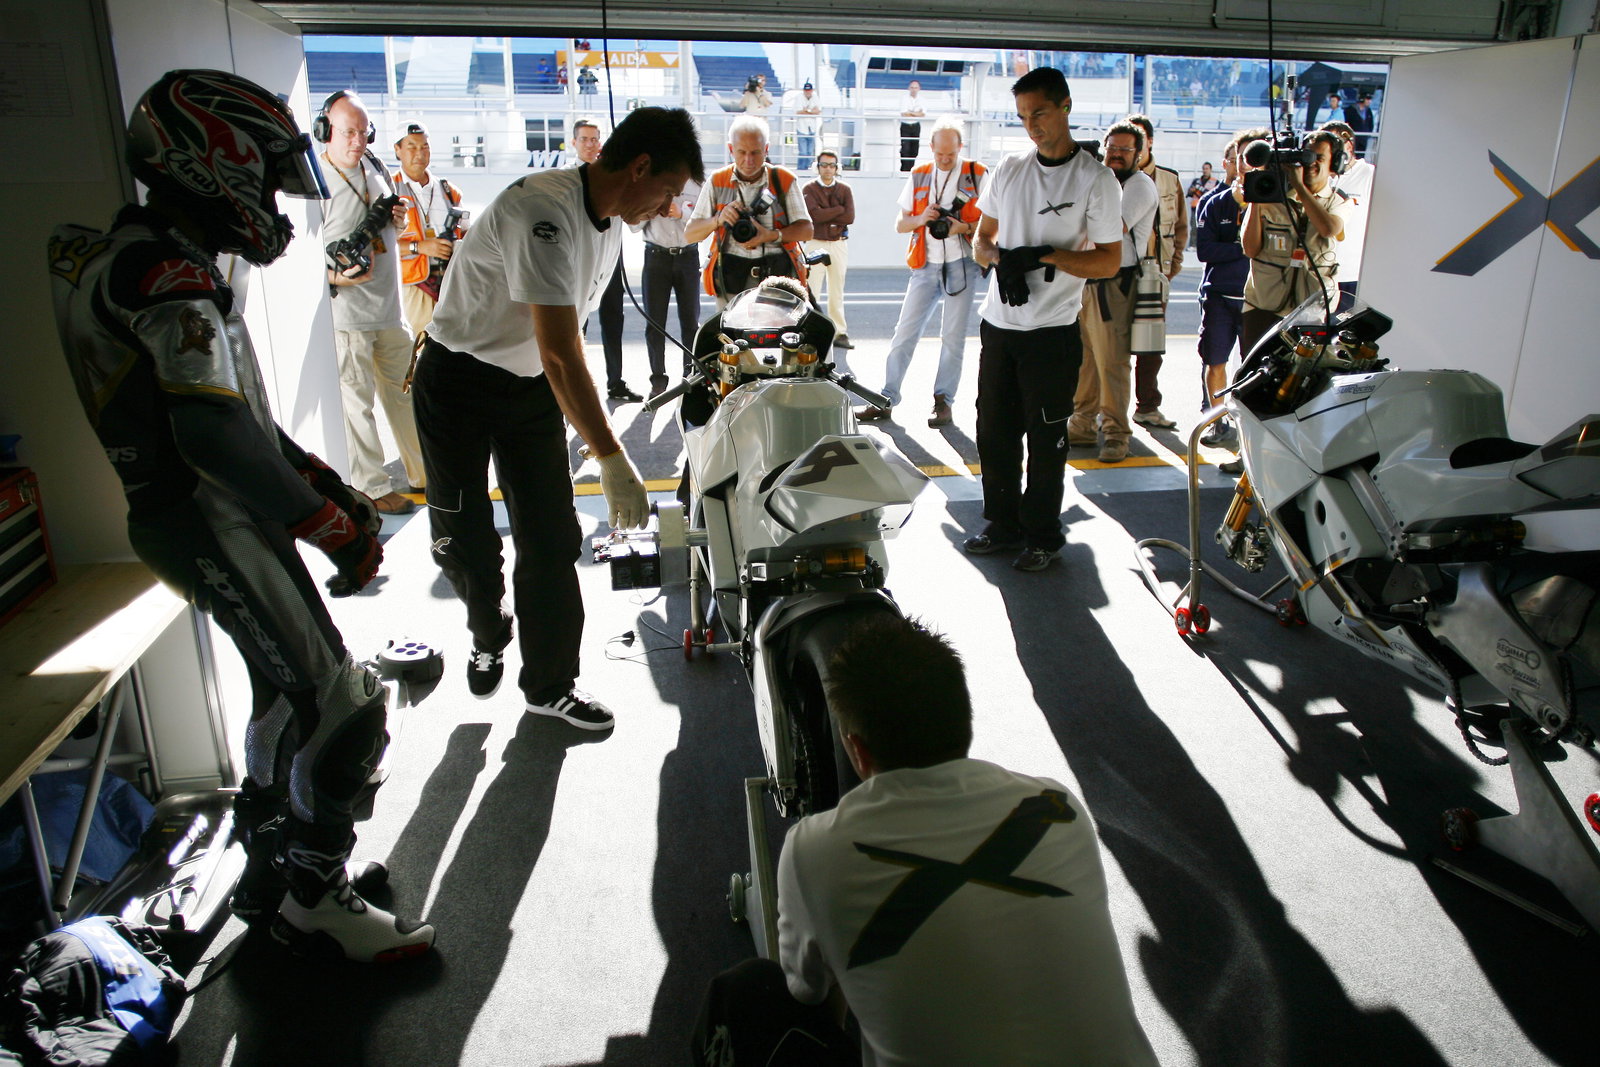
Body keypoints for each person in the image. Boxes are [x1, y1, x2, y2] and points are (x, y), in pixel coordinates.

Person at [48, 69, 434, 963]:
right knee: (345, 709)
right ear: (211, 164)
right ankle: (314, 894)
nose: (269, 201)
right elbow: (215, 434)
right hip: (206, 516)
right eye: (260, 178)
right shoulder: (164, 271)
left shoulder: (139, 254)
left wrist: (323, 492)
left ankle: (277, 871)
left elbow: (236, 418)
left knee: (282, 703)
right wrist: (328, 522)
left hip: (205, 516)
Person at [691, 615, 1158, 1066]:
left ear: (856, 748)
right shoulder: (1058, 806)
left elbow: (806, 991)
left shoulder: (813, 849)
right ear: (964, 718)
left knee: (744, 994)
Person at [413, 106, 703, 728]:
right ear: (640, 167)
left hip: (530, 392)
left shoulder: (614, 223)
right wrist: (611, 455)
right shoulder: (541, 208)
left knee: (551, 539)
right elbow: (560, 350)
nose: (670, 206)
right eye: (669, 191)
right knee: (464, 544)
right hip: (458, 381)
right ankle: (488, 631)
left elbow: (554, 359)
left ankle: (549, 684)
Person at [968, 67, 1121, 573]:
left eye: (1040, 113)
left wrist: (1046, 256)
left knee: (1047, 437)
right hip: (999, 327)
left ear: (1066, 107)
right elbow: (981, 240)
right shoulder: (1009, 169)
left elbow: (1107, 261)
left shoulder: (1095, 180)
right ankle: (1003, 524)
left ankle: (1042, 534)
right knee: (994, 432)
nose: (1031, 125)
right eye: (1022, 116)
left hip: (1052, 334)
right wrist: (1000, 261)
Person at [318, 90, 425, 515]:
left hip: (389, 311)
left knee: (406, 397)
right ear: (326, 130)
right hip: (347, 316)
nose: (357, 141)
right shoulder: (315, 183)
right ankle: (371, 487)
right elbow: (294, 259)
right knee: (357, 407)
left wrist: (396, 225)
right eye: (348, 132)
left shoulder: (375, 167)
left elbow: (388, 231)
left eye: (363, 132)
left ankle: (424, 473)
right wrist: (336, 276)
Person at [858, 118, 987, 429]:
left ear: (960, 148)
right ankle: (886, 397)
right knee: (904, 334)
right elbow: (901, 224)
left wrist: (963, 227)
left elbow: (995, 222)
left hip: (962, 266)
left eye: (951, 155)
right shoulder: (919, 176)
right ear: (931, 148)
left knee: (953, 338)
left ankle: (944, 402)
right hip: (925, 266)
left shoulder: (977, 174)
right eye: (940, 154)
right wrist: (922, 217)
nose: (945, 160)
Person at [1065, 121, 1158, 464]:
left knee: (1112, 363)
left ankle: (1117, 434)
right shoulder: (1102, 182)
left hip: (1115, 284)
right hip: (1087, 281)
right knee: (1085, 361)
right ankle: (1083, 424)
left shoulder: (1140, 185)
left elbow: (1110, 228)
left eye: (1125, 149)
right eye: (1113, 148)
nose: (1117, 155)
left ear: (1139, 153)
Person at [1239, 129, 1351, 356]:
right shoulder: (1272, 197)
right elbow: (1250, 248)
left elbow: (1329, 228)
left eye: (1320, 158)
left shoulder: (1338, 200)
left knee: (1303, 378)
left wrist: (1299, 186)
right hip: (1263, 304)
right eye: (1308, 156)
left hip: (1311, 308)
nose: (1311, 164)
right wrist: (1257, 194)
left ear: (1334, 165)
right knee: (1253, 378)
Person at [685, 115, 813, 309]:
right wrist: (718, 219)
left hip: (777, 277)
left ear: (766, 149)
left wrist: (771, 235)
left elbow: (807, 230)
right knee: (730, 338)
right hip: (730, 278)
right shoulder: (717, 181)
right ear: (730, 149)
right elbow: (690, 233)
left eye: (755, 152)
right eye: (741, 152)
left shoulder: (784, 180)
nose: (748, 160)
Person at [1193, 128, 1265, 456]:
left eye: (1253, 159)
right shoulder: (1212, 202)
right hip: (1219, 294)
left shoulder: (1272, 202)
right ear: (1233, 162)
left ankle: (1251, 431)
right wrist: (1244, 247)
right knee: (1215, 359)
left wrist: (1237, 246)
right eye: (1241, 159)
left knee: (1254, 369)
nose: (1246, 166)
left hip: (1260, 298)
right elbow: (1206, 251)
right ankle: (1217, 421)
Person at [573, 119, 644, 402]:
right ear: (575, 142)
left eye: (595, 139)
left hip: (611, 263)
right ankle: (577, 387)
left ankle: (615, 382)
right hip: (579, 265)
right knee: (577, 326)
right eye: (585, 139)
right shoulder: (567, 179)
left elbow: (635, 221)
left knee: (613, 322)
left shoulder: (615, 177)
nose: (591, 144)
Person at [1124, 113, 1186, 432]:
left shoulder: (1169, 179)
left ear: (1149, 142)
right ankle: (1106, 411)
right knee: (1112, 345)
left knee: (1151, 346)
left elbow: (1181, 227)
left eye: (1139, 138)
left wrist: (1171, 268)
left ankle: (1147, 407)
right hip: (1119, 274)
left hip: (1155, 274)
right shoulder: (1113, 175)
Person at [392, 121, 466, 335]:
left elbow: (468, 233)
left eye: (425, 147)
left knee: (454, 348)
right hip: (413, 288)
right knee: (417, 348)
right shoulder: (389, 190)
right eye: (412, 147)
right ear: (397, 150)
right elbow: (378, 246)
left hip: (450, 286)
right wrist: (419, 247)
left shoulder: (450, 191)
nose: (420, 153)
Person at [639, 176, 703, 398]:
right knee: (655, 322)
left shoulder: (697, 184)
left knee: (690, 321)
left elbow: (706, 221)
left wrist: (682, 213)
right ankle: (658, 380)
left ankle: (690, 375)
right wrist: (650, 207)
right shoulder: (650, 183)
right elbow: (632, 224)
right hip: (657, 256)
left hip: (688, 256)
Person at [802, 151, 855, 349]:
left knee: (837, 289)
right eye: (824, 165)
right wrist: (838, 210)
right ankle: (810, 330)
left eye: (831, 165)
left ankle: (839, 332)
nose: (828, 169)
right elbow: (813, 215)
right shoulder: (809, 188)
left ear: (837, 168)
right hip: (816, 241)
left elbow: (849, 216)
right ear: (817, 166)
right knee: (811, 288)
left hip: (838, 243)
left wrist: (828, 214)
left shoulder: (845, 189)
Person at [1321, 120, 1374, 305]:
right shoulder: (1318, 176)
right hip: (1319, 276)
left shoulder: (1369, 175)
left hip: (1353, 276)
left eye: (1331, 146)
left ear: (1349, 146)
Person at [1186, 162, 1218, 244]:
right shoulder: (1196, 181)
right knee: (1194, 226)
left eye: (1207, 169)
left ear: (1210, 170)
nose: (1205, 170)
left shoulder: (1215, 182)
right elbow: (1189, 193)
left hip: (1208, 208)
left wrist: (1200, 189)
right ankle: (1193, 245)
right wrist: (1192, 190)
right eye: (1204, 168)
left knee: (1207, 227)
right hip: (1195, 206)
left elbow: (1213, 195)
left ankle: (1206, 244)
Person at [792, 81, 821, 171]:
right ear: (804, 90)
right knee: (803, 152)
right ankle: (801, 169)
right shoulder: (799, 97)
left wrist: (806, 110)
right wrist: (811, 111)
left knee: (810, 152)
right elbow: (798, 111)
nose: (807, 92)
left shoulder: (815, 97)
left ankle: (808, 169)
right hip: (802, 127)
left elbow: (818, 111)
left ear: (812, 90)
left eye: (809, 90)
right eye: (806, 90)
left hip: (812, 128)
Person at [898, 80, 926, 172]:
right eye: (912, 87)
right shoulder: (904, 98)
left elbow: (923, 114)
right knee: (905, 149)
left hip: (916, 125)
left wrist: (910, 113)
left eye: (916, 87)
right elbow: (904, 114)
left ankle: (911, 169)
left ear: (919, 89)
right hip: (905, 125)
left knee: (915, 149)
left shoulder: (922, 99)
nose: (914, 90)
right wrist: (916, 113)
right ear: (909, 88)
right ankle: (904, 169)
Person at [1344, 92, 1377, 158]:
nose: (1369, 101)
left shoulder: (1368, 111)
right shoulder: (1350, 110)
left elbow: (1371, 123)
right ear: (1362, 99)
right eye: (1367, 99)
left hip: (1364, 138)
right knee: (1352, 155)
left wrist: (1368, 133)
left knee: (1361, 156)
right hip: (1353, 137)